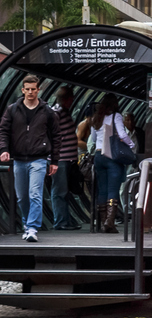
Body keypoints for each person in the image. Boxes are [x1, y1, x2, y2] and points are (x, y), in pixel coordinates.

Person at [0, 76, 59, 241]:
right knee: (22, 196)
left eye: (34, 89)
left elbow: (56, 136)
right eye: (28, 89)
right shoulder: (13, 109)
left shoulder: (47, 112)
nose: (31, 92)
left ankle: (32, 228)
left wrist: (54, 161)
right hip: (18, 159)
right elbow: (3, 130)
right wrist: (4, 150)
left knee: (35, 193)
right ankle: (27, 224)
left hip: (39, 159)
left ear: (38, 90)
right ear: (23, 90)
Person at [89, 94, 136, 234]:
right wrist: (131, 145)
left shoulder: (96, 118)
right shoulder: (116, 116)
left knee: (102, 190)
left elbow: (93, 138)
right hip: (111, 156)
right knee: (113, 190)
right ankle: (109, 222)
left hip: (98, 156)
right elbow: (122, 134)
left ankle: (104, 221)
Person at [48, 85, 79, 230]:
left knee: (64, 191)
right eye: (70, 99)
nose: (72, 102)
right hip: (60, 159)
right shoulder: (56, 112)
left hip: (67, 159)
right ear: (65, 99)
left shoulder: (65, 112)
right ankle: (60, 222)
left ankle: (66, 220)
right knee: (59, 191)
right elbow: (50, 134)